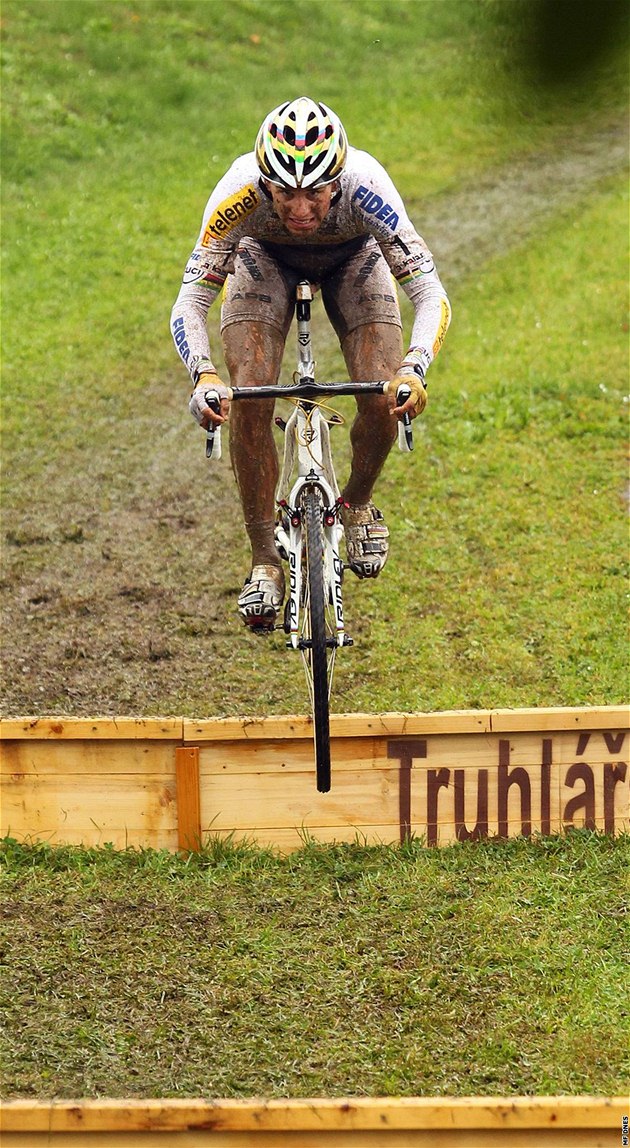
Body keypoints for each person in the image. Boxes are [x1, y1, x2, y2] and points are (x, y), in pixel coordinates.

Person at [171, 97, 451, 631]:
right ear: (264, 183)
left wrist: (414, 369)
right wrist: (203, 375)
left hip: (354, 256)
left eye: (316, 193)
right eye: (284, 193)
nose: (300, 211)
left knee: (382, 393)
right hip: (262, 259)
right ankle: (263, 560)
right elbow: (191, 300)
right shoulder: (238, 194)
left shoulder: (368, 188)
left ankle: (358, 505)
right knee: (248, 396)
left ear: (338, 180)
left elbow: (430, 293)